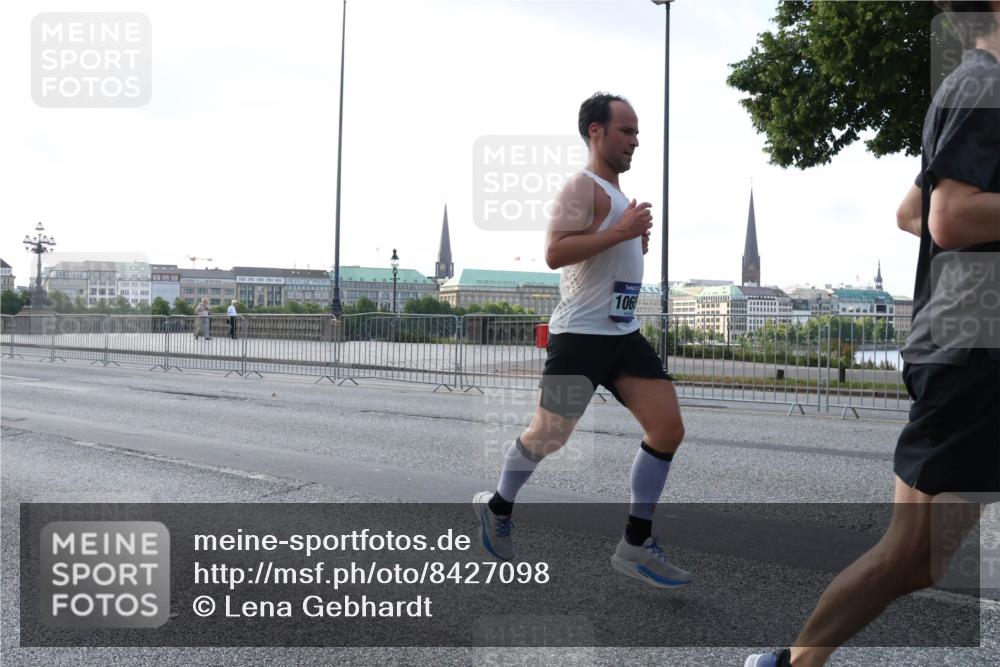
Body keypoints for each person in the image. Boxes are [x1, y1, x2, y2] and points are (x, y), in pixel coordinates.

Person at [746, 3, 1000, 665]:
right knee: (906, 556)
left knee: (915, 562)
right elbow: (946, 216)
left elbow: (910, 210)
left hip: (968, 347)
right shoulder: (983, 84)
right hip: (973, 354)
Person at [473, 92, 690, 588]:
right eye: (626, 131)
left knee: (668, 428)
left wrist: (631, 238)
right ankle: (498, 506)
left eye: (636, 132)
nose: (635, 141)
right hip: (580, 338)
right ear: (596, 131)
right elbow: (554, 252)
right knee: (549, 435)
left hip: (623, 335)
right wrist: (622, 233)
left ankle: (635, 544)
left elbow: (600, 255)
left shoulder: (616, 197)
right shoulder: (582, 185)